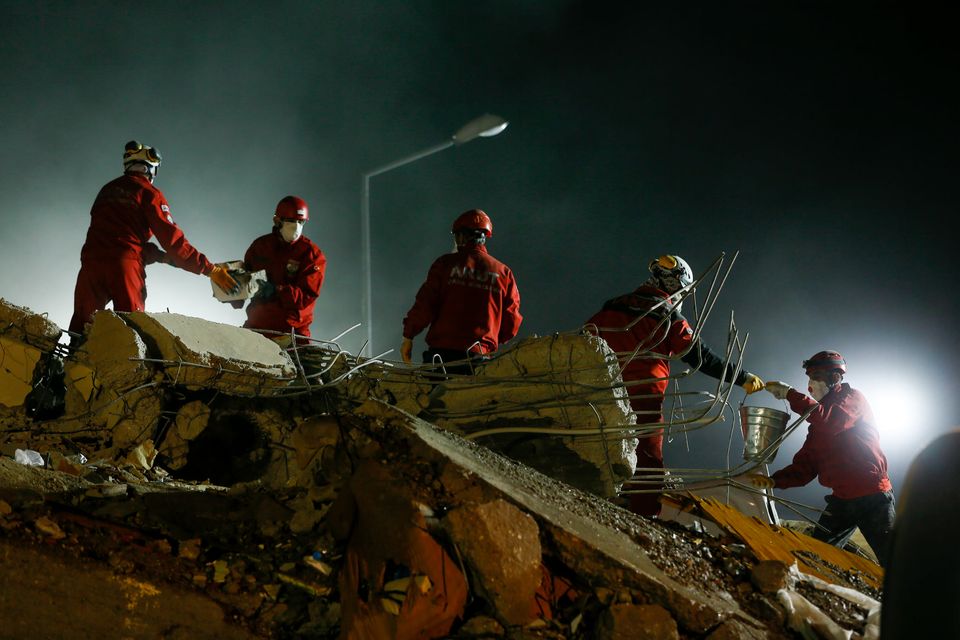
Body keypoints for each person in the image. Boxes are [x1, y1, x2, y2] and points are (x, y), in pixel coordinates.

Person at [585, 254, 764, 517]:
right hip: (643, 393)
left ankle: (592, 496)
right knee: (648, 458)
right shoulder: (667, 313)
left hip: (600, 389)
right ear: (677, 284)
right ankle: (644, 514)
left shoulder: (613, 305)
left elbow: (586, 338)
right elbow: (698, 355)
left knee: (597, 442)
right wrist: (742, 377)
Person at [69, 140, 238, 336]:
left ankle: (70, 354)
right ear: (152, 169)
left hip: (90, 265)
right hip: (124, 267)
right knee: (130, 329)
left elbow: (116, 237)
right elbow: (172, 240)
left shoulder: (107, 190)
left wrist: (160, 257)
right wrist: (210, 269)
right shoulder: (149, 193)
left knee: (82, 329)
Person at [746, 351, 895, 566]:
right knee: (816, 555)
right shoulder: (818, 425)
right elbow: (806, 465)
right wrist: (774, 480)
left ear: (835, 376)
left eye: (816, 376)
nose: (811, 384)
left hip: (873, 496)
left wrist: (790, 394)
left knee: (893, 561)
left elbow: (829, 420)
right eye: (809, 377)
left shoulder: (851, 399)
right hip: (842, 499)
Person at [401, 209, 522, 374]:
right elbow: (512, 322)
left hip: (441, 357)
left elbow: (425, 305)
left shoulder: (445, 264)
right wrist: (487, 342)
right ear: (484, 237)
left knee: (438, 390)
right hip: (479, 361)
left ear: (461, 236)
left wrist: (408, 336)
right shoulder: (503, 273)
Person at [243, 196, 327, 344]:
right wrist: (232, 292)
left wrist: (276, 290)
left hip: (291, 332)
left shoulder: (311, 255)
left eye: (301, 222)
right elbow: (245, 280)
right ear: (277, 221)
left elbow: (307, 296)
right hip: (257, 328)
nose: (296, 226)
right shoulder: (260, 247)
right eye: (291, 221)